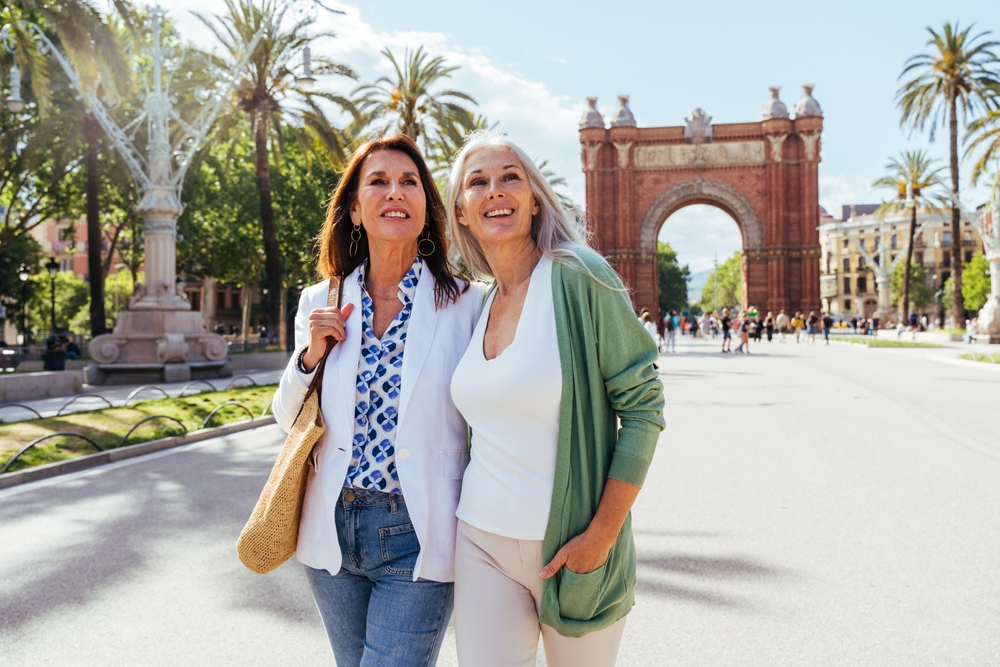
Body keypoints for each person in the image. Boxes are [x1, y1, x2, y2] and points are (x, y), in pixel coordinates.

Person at [446, 131, 665, 667]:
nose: (495, 190)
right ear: (462, 211)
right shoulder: (476, 304)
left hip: (572, 550)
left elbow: (642, 408)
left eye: (510, 177)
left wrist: (602, 535)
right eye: (478, 182)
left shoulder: (580, 276)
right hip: (479, 543)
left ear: (534, 198)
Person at [271, 134, 483, 667]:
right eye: (379, 182)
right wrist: (308, 359)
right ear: (355, 209)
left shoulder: (466, 304)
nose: (395, 192)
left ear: (426, 207)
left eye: (409, 182)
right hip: (331, 531)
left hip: (419, 530)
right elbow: (285, 417)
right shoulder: (321, 300)